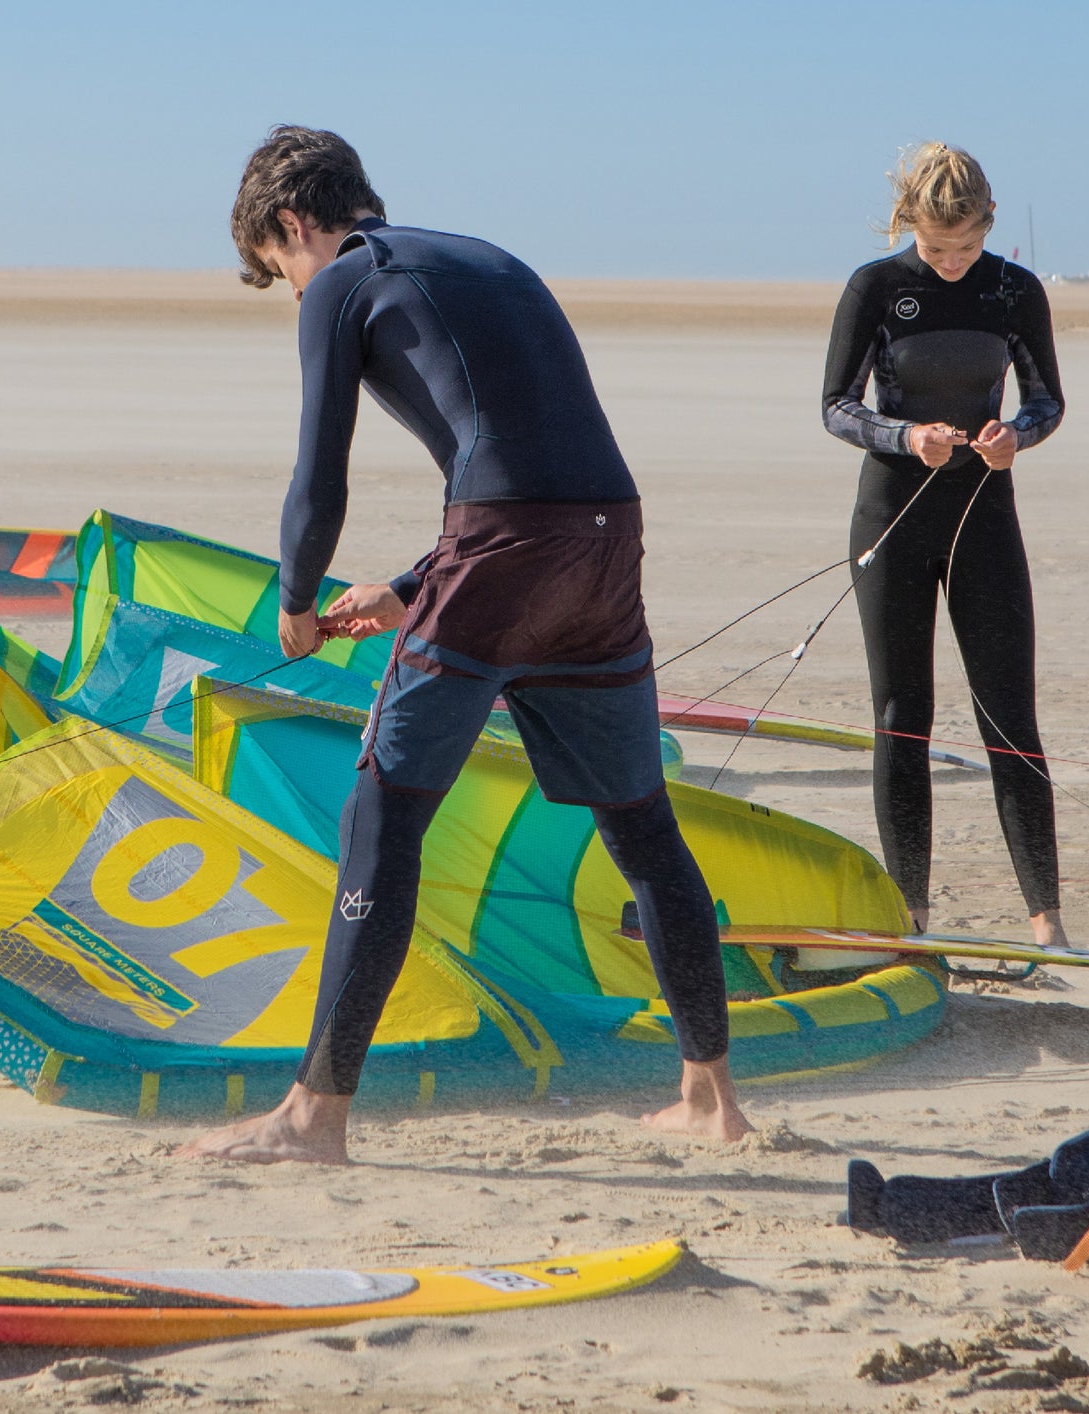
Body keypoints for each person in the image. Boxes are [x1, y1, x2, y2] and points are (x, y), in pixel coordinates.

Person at [180, 125, 752, 1163]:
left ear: (289, 225)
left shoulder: (340, 283)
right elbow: (537, 461)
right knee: (639, 825)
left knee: (382, 810)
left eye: (278, 268)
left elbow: (320, 477)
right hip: (601, 536)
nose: (291, 286)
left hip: (504, 545)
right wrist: (408, 588)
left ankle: (312, 1116)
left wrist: (296, 602)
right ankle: (713, 1099)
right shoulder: (485, 258)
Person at [819, 142, 1069, 949]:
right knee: (904, 718)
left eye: (965, 246)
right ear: (908, 228)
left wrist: (1015, 437)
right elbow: (834, 406)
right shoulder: (878, 287)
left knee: (1010, 717)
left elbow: (1047, 400)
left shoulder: (1012, 290)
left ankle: (1047, 925)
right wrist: (905, 433)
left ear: (989, 226)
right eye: (936, 248)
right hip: (892, 515)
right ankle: (912, 919)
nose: (953, 262)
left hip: (984, 515)